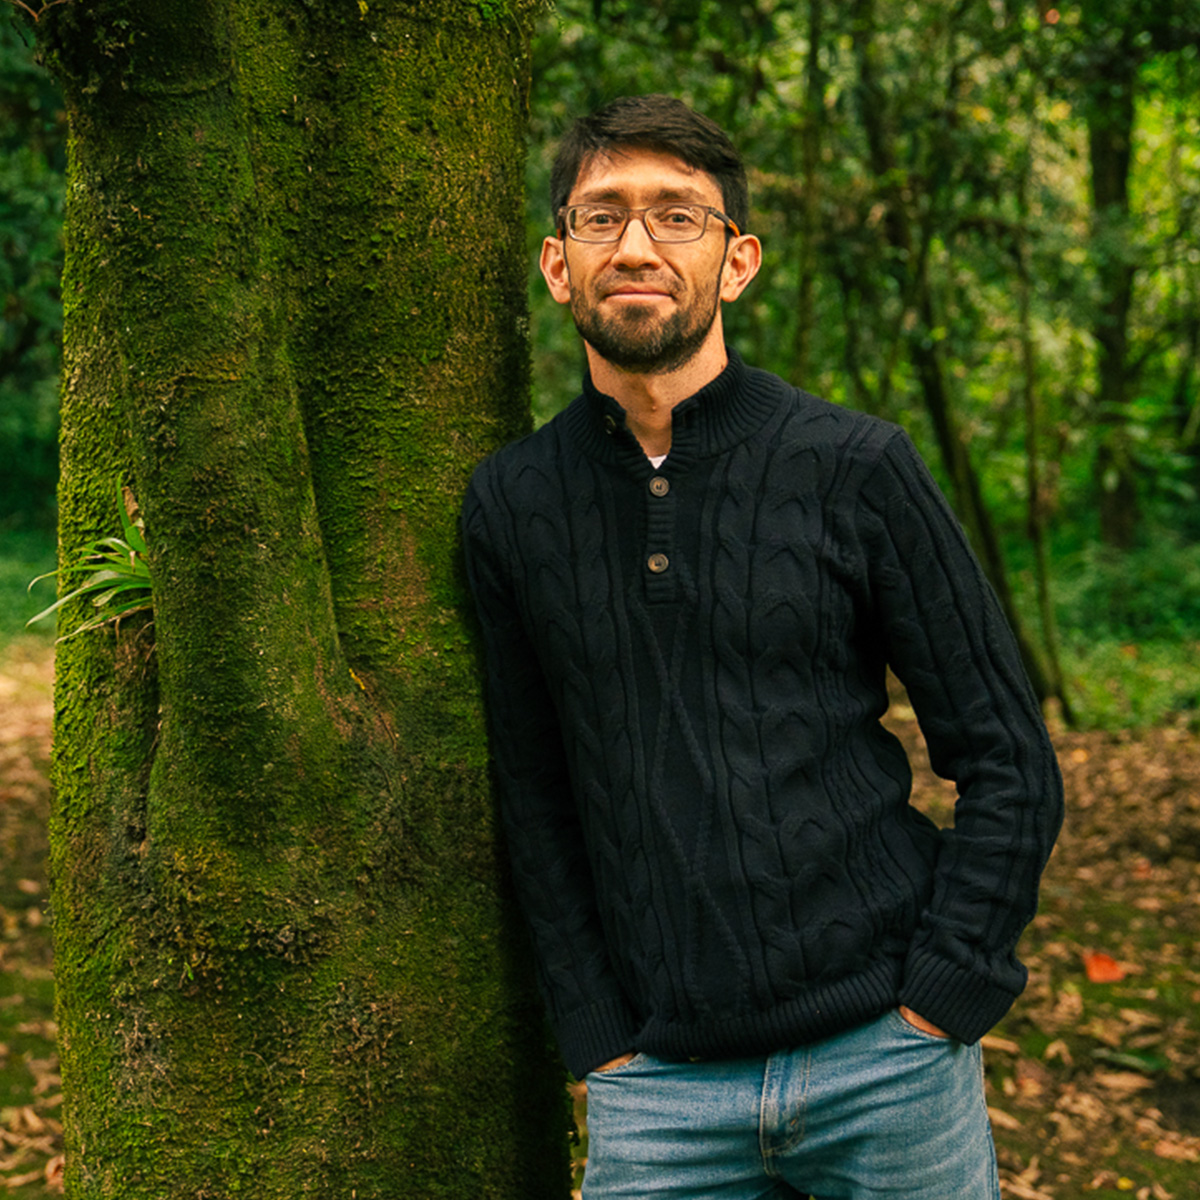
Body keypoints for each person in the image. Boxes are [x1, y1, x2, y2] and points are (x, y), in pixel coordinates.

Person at [461, 94, 1063, 1199]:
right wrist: (596, 1033)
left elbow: (1008, 755)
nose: (637, 245)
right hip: (658, 1091)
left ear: (736, 262)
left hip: (888, 1062)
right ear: (557, 264)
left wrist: (944, 997)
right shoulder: (510, 506)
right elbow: (533, 795)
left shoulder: (857, 468)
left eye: (677, 216)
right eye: (602, 217)